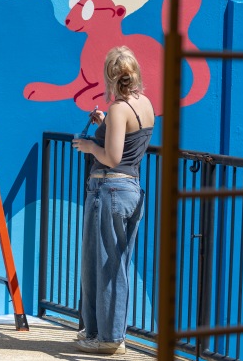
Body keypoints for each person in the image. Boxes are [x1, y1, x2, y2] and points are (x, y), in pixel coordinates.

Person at [71, 46, 154, 355]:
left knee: (103, 264)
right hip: (131, 189)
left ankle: (108, 337)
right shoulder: (143, 104)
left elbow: (112, 156)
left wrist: (89, 146)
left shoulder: (120, 108)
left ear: (110, 75)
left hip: (109, 191)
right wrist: (104, 122)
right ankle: (102, 333)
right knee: (115, 263)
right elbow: (129, 143)